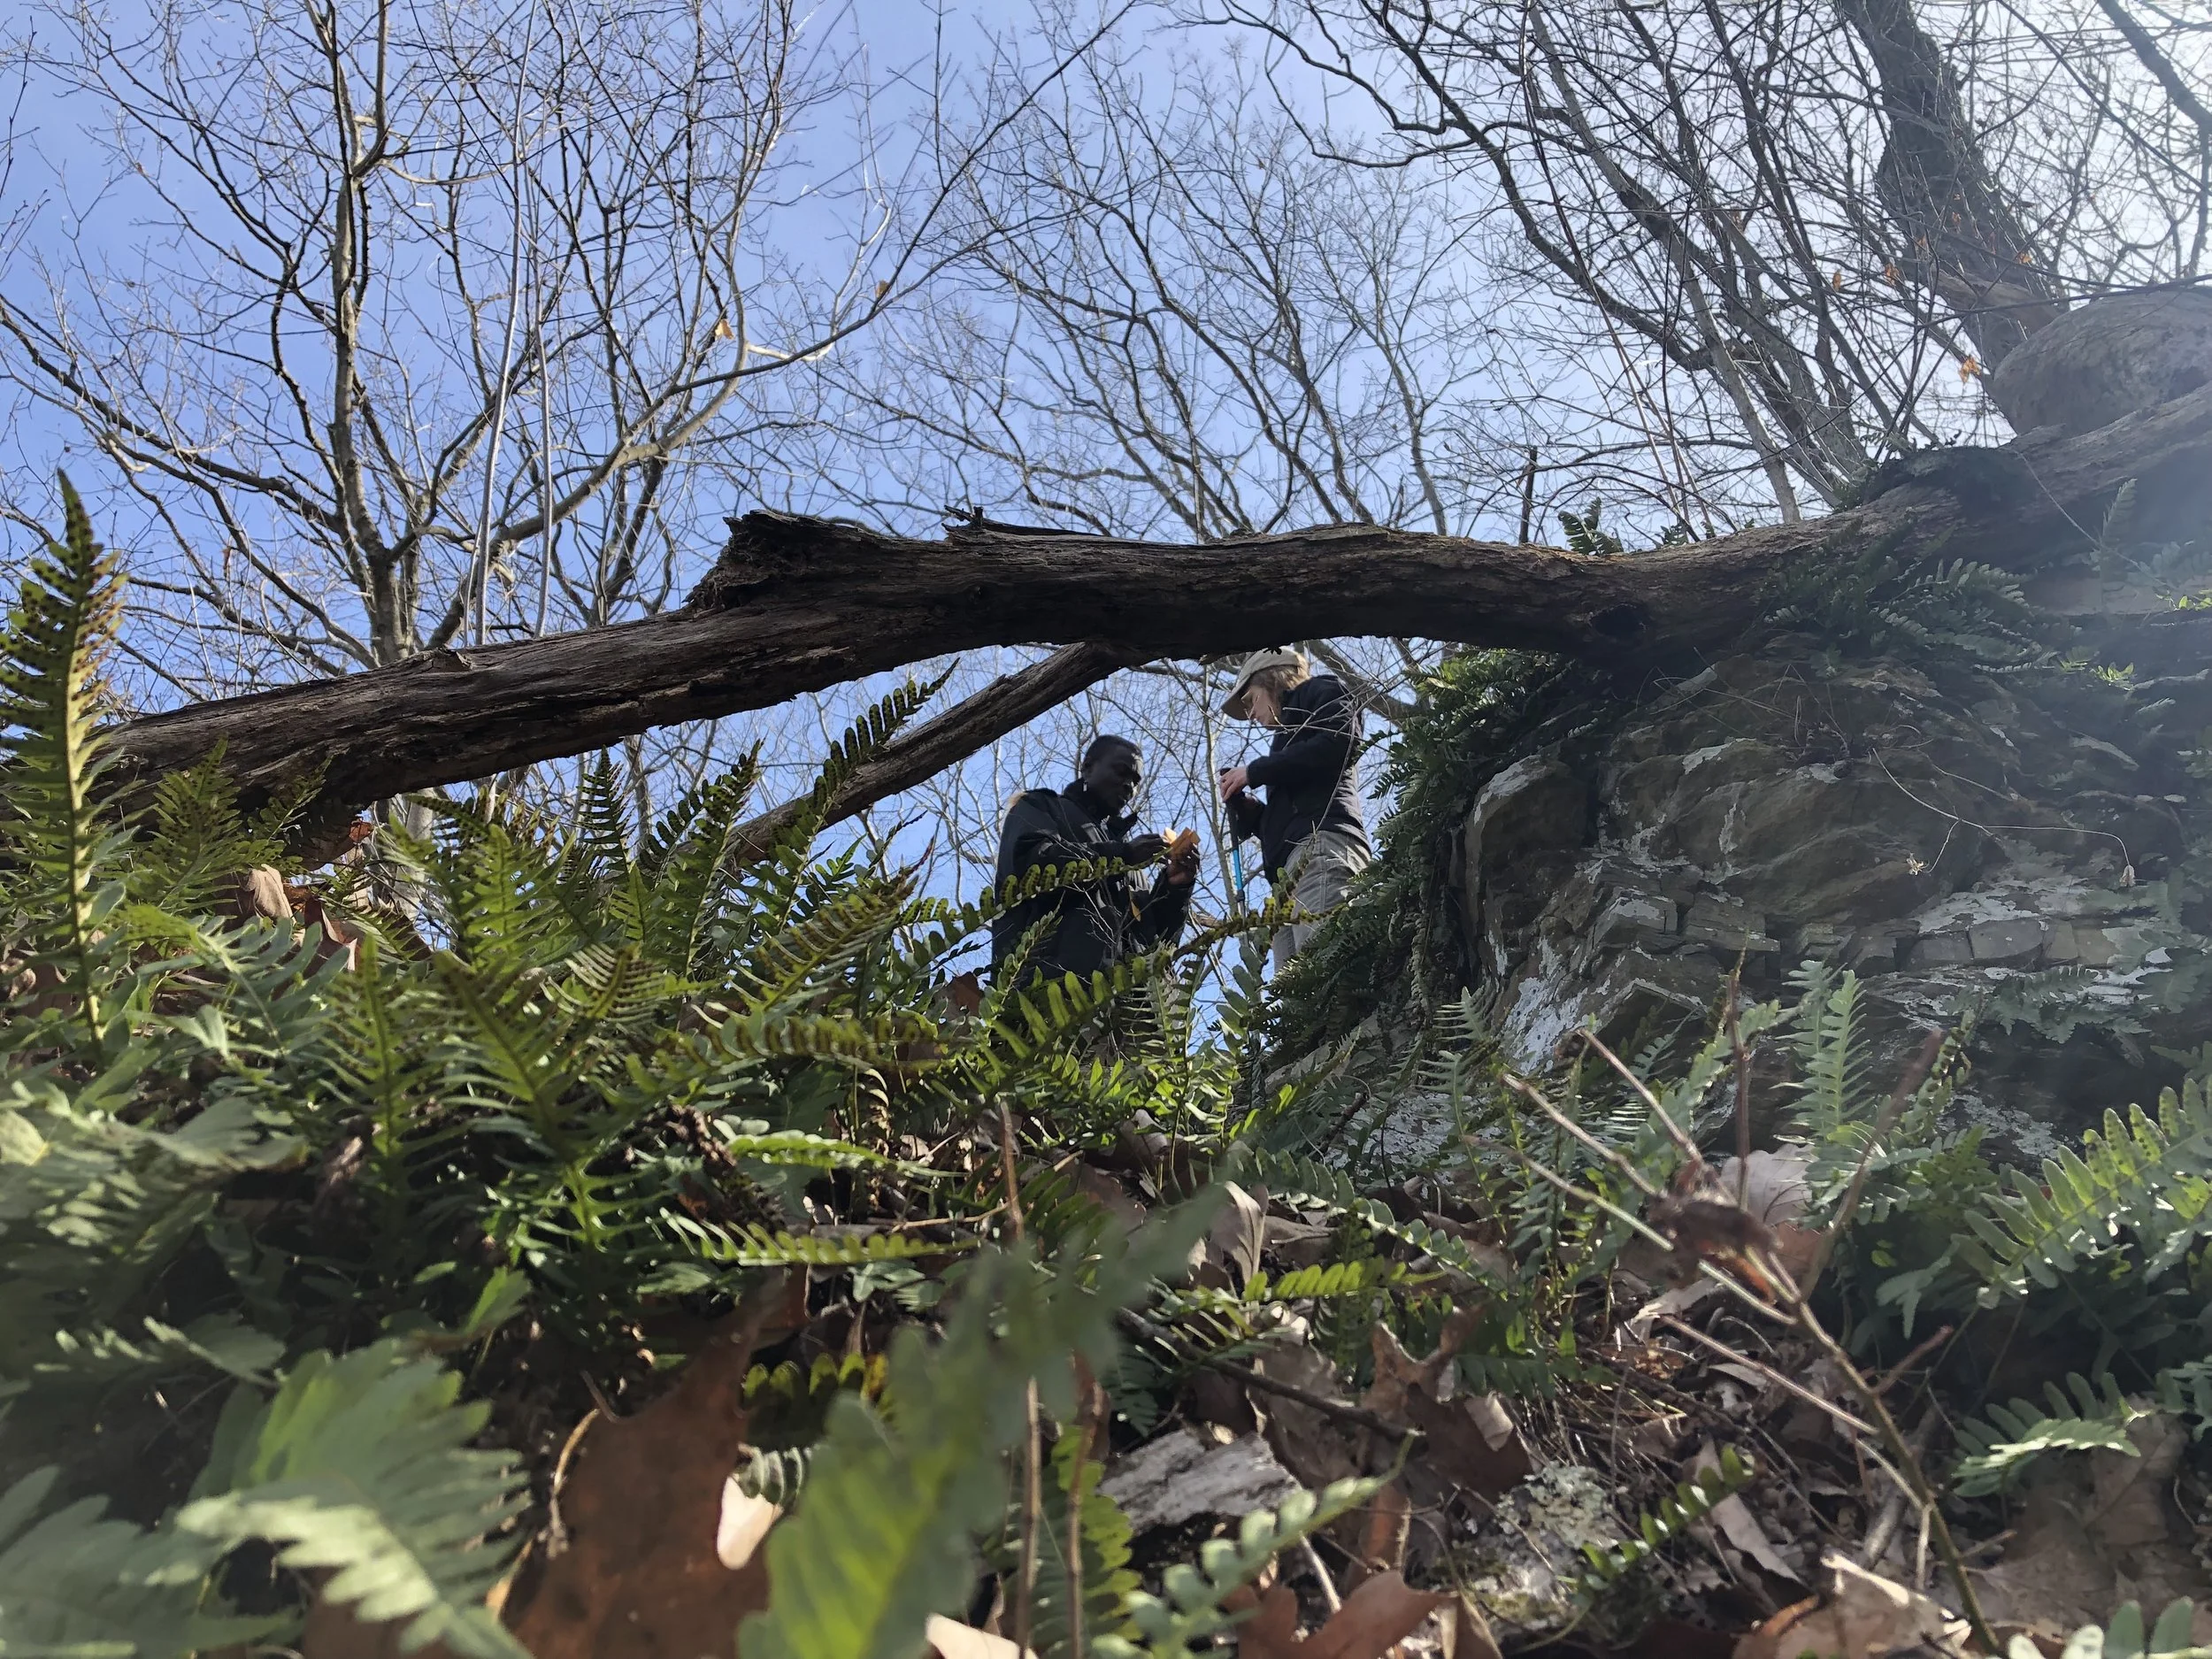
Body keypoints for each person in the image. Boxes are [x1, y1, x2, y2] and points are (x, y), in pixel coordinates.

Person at [990, 734, 1201, 985]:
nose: (1129, 787)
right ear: (1088, 767)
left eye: (1135, 782)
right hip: (1050, 995)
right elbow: (1031, 869)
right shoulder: (1042, 807)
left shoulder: (1133, 869)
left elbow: (1157, 944)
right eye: (1121, 772)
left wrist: (1175, 887)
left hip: (1130, 1010)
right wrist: (1122, 856)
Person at [1217, 649, 1372, 972]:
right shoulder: (1285, 741)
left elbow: (1340, 741)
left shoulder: (1323, 690)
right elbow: (1291, 813)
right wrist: (1250, 811)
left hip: (1322, 845)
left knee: (1327, 972)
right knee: (1297, 1000)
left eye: (1249, 700)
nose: (1250, 714)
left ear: (1271, 680)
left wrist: (1255, 772)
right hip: (1290, 874)